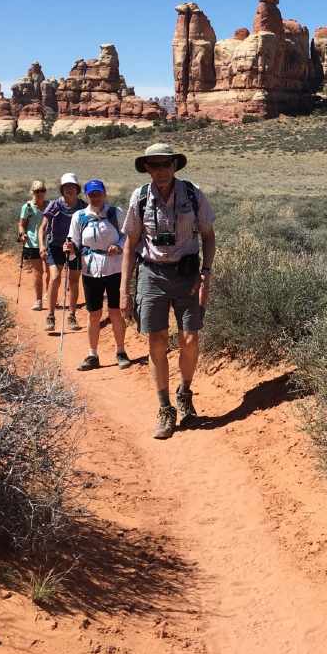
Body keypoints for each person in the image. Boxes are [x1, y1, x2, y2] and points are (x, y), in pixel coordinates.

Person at [120, 143, 216, 440]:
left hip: (187, 274)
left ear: (175, 166)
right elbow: (130, 244)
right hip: (152, 274)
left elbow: (209, 237)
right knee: (157, 341)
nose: (161, 171)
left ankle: (184, 392)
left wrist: (207, 274)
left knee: (190, 338)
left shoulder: (192, 194)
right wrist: (124, 290)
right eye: (155, 165)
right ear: (147, 168)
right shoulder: (140, 197)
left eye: (166, 164)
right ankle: (164, 408)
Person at [66, 179, 132, 371]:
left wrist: (118, 247)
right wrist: (69, 248)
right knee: (94, 313)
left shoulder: (115, 213)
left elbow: (128, 235)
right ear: (86, 196)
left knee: (114, 312)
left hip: (115, 268)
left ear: (104, 193)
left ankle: (121, 351)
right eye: (91, 194)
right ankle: (92, 354)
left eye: (98, 193)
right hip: (90, 269)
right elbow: (75, 241)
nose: (95, 197)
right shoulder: (79, 216)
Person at [39, 173, 84, 333]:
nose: (69, 190)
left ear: (77, 189)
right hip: (55, 246)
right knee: (55, 277)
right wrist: (41, 246)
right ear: (62, 189)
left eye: (72, 187)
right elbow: (43, 227)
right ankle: (50, 316)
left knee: (73, 281)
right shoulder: (55, 205)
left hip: (75, 247)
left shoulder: (83, 206)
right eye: (66, 187)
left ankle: (71, 315)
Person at [17, 180, 48, 311]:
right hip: (32, 243)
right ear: (32, 192)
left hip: (49, 243)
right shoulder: (27, 207)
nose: (39, 193)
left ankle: (50, 294)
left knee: (51, 272)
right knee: (38, 272)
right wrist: (22, 234)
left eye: (42, 190)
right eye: (36, 191)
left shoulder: (50, 206)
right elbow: (21, 224)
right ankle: (38, 301)